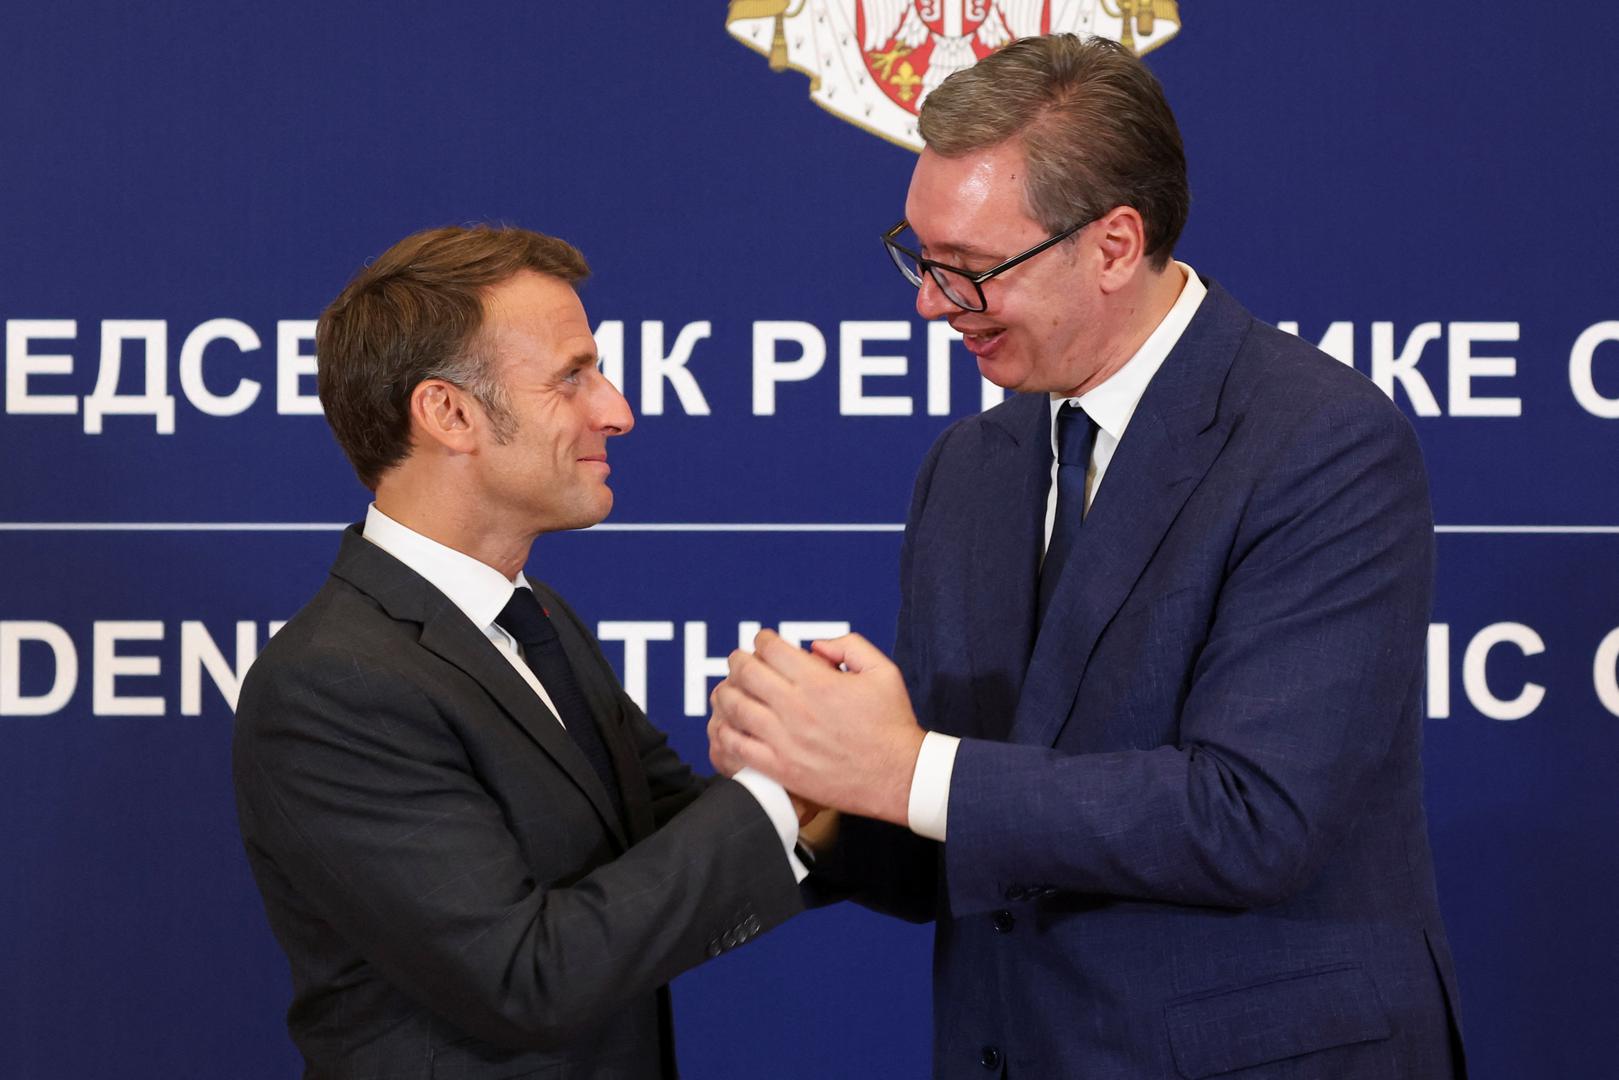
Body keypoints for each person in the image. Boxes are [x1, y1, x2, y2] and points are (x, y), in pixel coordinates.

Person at [710, 34, 1466, 1079]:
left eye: (969, 270)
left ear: (1113, 246)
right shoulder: (967, 467)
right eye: (917, 256)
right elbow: (964, 830)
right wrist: (822, 795)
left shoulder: (1319, 441)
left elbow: (1250, 818)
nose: (927, 302)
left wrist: (904, 766)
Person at [233, 225, 805, 1079]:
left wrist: (875, 779)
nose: (616, 410)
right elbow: (525, 978)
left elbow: (667, 837)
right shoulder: (331, 684)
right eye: (571, 377)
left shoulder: (537, 619)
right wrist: (782, 789)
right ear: (449, 413)